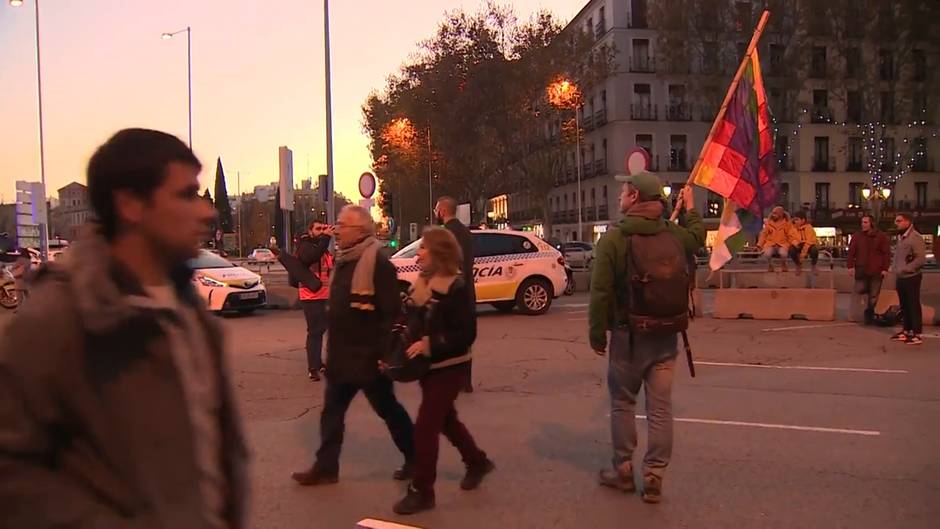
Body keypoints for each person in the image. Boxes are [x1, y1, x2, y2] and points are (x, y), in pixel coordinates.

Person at [0, 129, 249, 528]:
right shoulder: (57, 318)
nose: (207, 211)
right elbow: (12, 475)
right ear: (131, 204)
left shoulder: (188, 309)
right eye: (185, 195)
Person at [589, 172, 705, 504]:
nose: (620, 198)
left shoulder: (614, 239)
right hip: (667, 335)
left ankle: (623, 469)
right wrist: (691, 208)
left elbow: (599, 292)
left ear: (636, 197)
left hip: (629, 336)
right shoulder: (674, 234)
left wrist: (597, 334)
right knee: (660, 409)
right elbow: (697, 236)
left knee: (623, 402)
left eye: (623, 192)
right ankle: (654, 475)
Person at [291, 205, 416, 486]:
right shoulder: (345, 259)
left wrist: (382, 353)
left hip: (368, 358)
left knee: (389, 410)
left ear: (359, 231)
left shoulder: (377, 263)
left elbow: (391, 311)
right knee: (332, 412)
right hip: (341, 355)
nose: (336, 230)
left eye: (341, 225)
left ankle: (416, 457)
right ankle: (325, 468)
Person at [390, 228, 494, 515]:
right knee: (447, 420)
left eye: (424, 248)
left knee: (426, 425)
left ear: (439, 254)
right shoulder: (422, 284)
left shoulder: (456, 287)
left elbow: (466, 333)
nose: (418, 253)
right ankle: (477, 462)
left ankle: (423, 491)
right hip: (429, 366)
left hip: (450, 366)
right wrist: (393, 351)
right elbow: (411, 323)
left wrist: (429, 344)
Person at [435, 196, 477, 393]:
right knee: (465, 338)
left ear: (442, 212)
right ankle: (466, 381)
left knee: (447, 337)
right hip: (467, 291)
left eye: (437, 209)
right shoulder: (467, 233)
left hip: (449, 293)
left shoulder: (444, 235)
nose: (436, 213)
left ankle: (450, 379)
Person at [294, 220, 334, 381]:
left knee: (321, 330)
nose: (322, 231)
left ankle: (318, 362)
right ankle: (313, 368)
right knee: (315, 331)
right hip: (310, 296)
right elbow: (310, 257)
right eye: (318, 229)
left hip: (325, 294)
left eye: (324, 228)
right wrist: (325, 238)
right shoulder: (305, 246)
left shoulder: (323, 248)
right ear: (310, 231)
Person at [847, 215, 891, 325]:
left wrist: (885, 268)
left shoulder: (881, 236)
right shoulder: (857, 236)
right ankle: (855, 314)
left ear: (871, 223)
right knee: (858, 290)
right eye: (862, 222)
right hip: (861, 269)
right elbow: (851, 252)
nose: (863, 224)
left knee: (874, 295)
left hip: (876, 270)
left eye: (865, 222)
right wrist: (850, 266)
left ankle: (869, 315)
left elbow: (886, 253)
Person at [891, 213, 926, 345]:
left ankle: (917, 333)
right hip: (901, 277)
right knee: (904, 305)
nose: (897, 223)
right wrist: (894, 268)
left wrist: (906, 268)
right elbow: (898, 256)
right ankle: (906, 330)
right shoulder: (902, 238)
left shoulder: (915, 238)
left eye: (899, 221)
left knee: (913, 304)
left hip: (912, 277)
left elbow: (920, 259)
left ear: (907, 222)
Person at [757, 205, 796, 272]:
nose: (773, 215)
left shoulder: (787, 224)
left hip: (782, 244)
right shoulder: (769, 224)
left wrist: (794, 243)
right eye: (772, 213)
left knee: (783, 254)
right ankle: (770, 265)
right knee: (767, 254)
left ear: (780, 214)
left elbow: (791, 235)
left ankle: (784, 264)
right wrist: (759, 244)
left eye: (775, 213)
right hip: (770, 244)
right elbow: (763, 234)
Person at [789, 211, 820, 275]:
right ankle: (798, 265)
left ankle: (813, 265)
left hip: (809, 246)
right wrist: (795, 244)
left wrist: (802, 256)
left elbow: (809, 242)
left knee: (814, 250)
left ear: (803, 220)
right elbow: (791, 238)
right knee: (791, 250)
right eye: (794, 220)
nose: (795, 221)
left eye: (797, 219)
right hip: (798, 245)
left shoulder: (809, 228)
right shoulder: (792, 228)